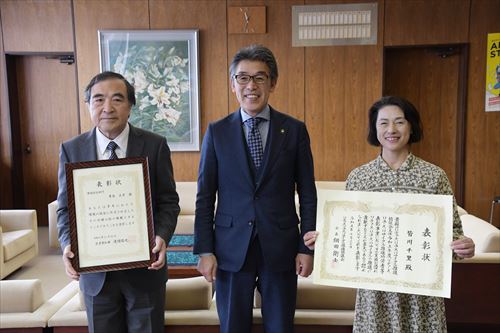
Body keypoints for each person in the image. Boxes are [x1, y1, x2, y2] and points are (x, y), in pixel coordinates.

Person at [304, 96, 475, 332]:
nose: (391, 130)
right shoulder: (359, 177)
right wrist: (323, 244)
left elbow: (453, 234)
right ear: (375, 130)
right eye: (383, 123)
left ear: (411, 126)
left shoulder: (434, 176)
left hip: (422, 296)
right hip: (375, 296)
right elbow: (349, 235)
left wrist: (464, 246)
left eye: (399, 122)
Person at [193, 44, 317, 333]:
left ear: (272, 83)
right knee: (233, 326)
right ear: (233, 84)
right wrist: (204, 250)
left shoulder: (294, 130)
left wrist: (305, 248)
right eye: (243, 78)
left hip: (281, 245)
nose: (251, 86)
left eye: (260, 78)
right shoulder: (217, 131)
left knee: (280, 327)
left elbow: (308, 193)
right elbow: (204, 195)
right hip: (230, 248)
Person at [56, 71, 180, 333]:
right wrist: (67, 242)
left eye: (117, 99)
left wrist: (162, 235)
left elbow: (168, 201)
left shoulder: (155, 145)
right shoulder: (72, 149)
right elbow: (65, 209)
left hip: (145, 271)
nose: (107, 108)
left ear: (130, 106)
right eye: (98, 99)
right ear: (89, 105)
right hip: (96, 275)